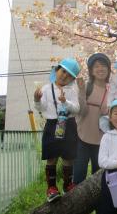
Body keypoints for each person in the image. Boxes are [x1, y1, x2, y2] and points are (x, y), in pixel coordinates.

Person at [34, 58, 81, 202]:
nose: (64, 76)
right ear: (56, 70)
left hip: (69, 124)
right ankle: (51, 188)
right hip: (52, 124)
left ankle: (67, 185)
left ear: (73, 79)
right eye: (63, 71)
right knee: (51, 157)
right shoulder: (46, 88)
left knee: (68, 158)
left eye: (69, 75)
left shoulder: (72, 91)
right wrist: (37, 100)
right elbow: (41, 108)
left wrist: (65, 102)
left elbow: (77, 109)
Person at [73, 53, 111, 184]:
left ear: (109, 69)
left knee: (98, 177)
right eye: (96, 66)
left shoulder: (112, 89)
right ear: (91, 71)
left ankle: (98, 203)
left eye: (104, 66)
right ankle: (76, 203)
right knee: (78, 175)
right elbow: (81, 112)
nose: (100, 69)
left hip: (102, 140)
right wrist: (82, 92)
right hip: (82, 136)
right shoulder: (87, 87)